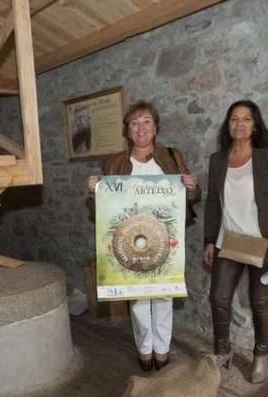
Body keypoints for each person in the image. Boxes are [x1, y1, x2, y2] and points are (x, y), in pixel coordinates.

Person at [86, 100, 201, 372]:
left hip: (163, 239)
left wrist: (192, 187)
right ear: (127, 130)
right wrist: (94, 191)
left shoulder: (172, 157)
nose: (140, 128)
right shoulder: (114, 162)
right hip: (130, 240)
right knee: (137, 298)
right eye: (134, 123)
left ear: (156, 127)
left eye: (146, 121)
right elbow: (103, 208)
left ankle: (162, 349)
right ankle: (144, 348)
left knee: (163, 296)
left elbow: (189, 197)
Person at [203, 100, 268, 384]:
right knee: (218, 298)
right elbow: (212, 204)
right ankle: (222, 351)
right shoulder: (218, 160)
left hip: (263, 242)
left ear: (255, 125)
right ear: (228, 124)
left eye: (246, 119)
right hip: (228, 241)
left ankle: (260, 354)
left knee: (260, 301)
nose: (239, 124)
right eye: (234, 119)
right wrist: (209, 240)